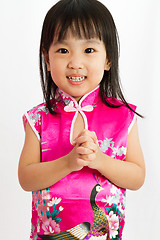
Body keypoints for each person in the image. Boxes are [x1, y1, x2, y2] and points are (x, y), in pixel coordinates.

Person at [18, 0, 145, 239]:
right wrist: (68, 163)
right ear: (47, 58)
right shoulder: (38, 118)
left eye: (89, 50)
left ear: (108, 59)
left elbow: (137, 176)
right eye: (63, 50)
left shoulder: (123, 116)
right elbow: (26, 178)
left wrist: (99, 160)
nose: (75, 63)